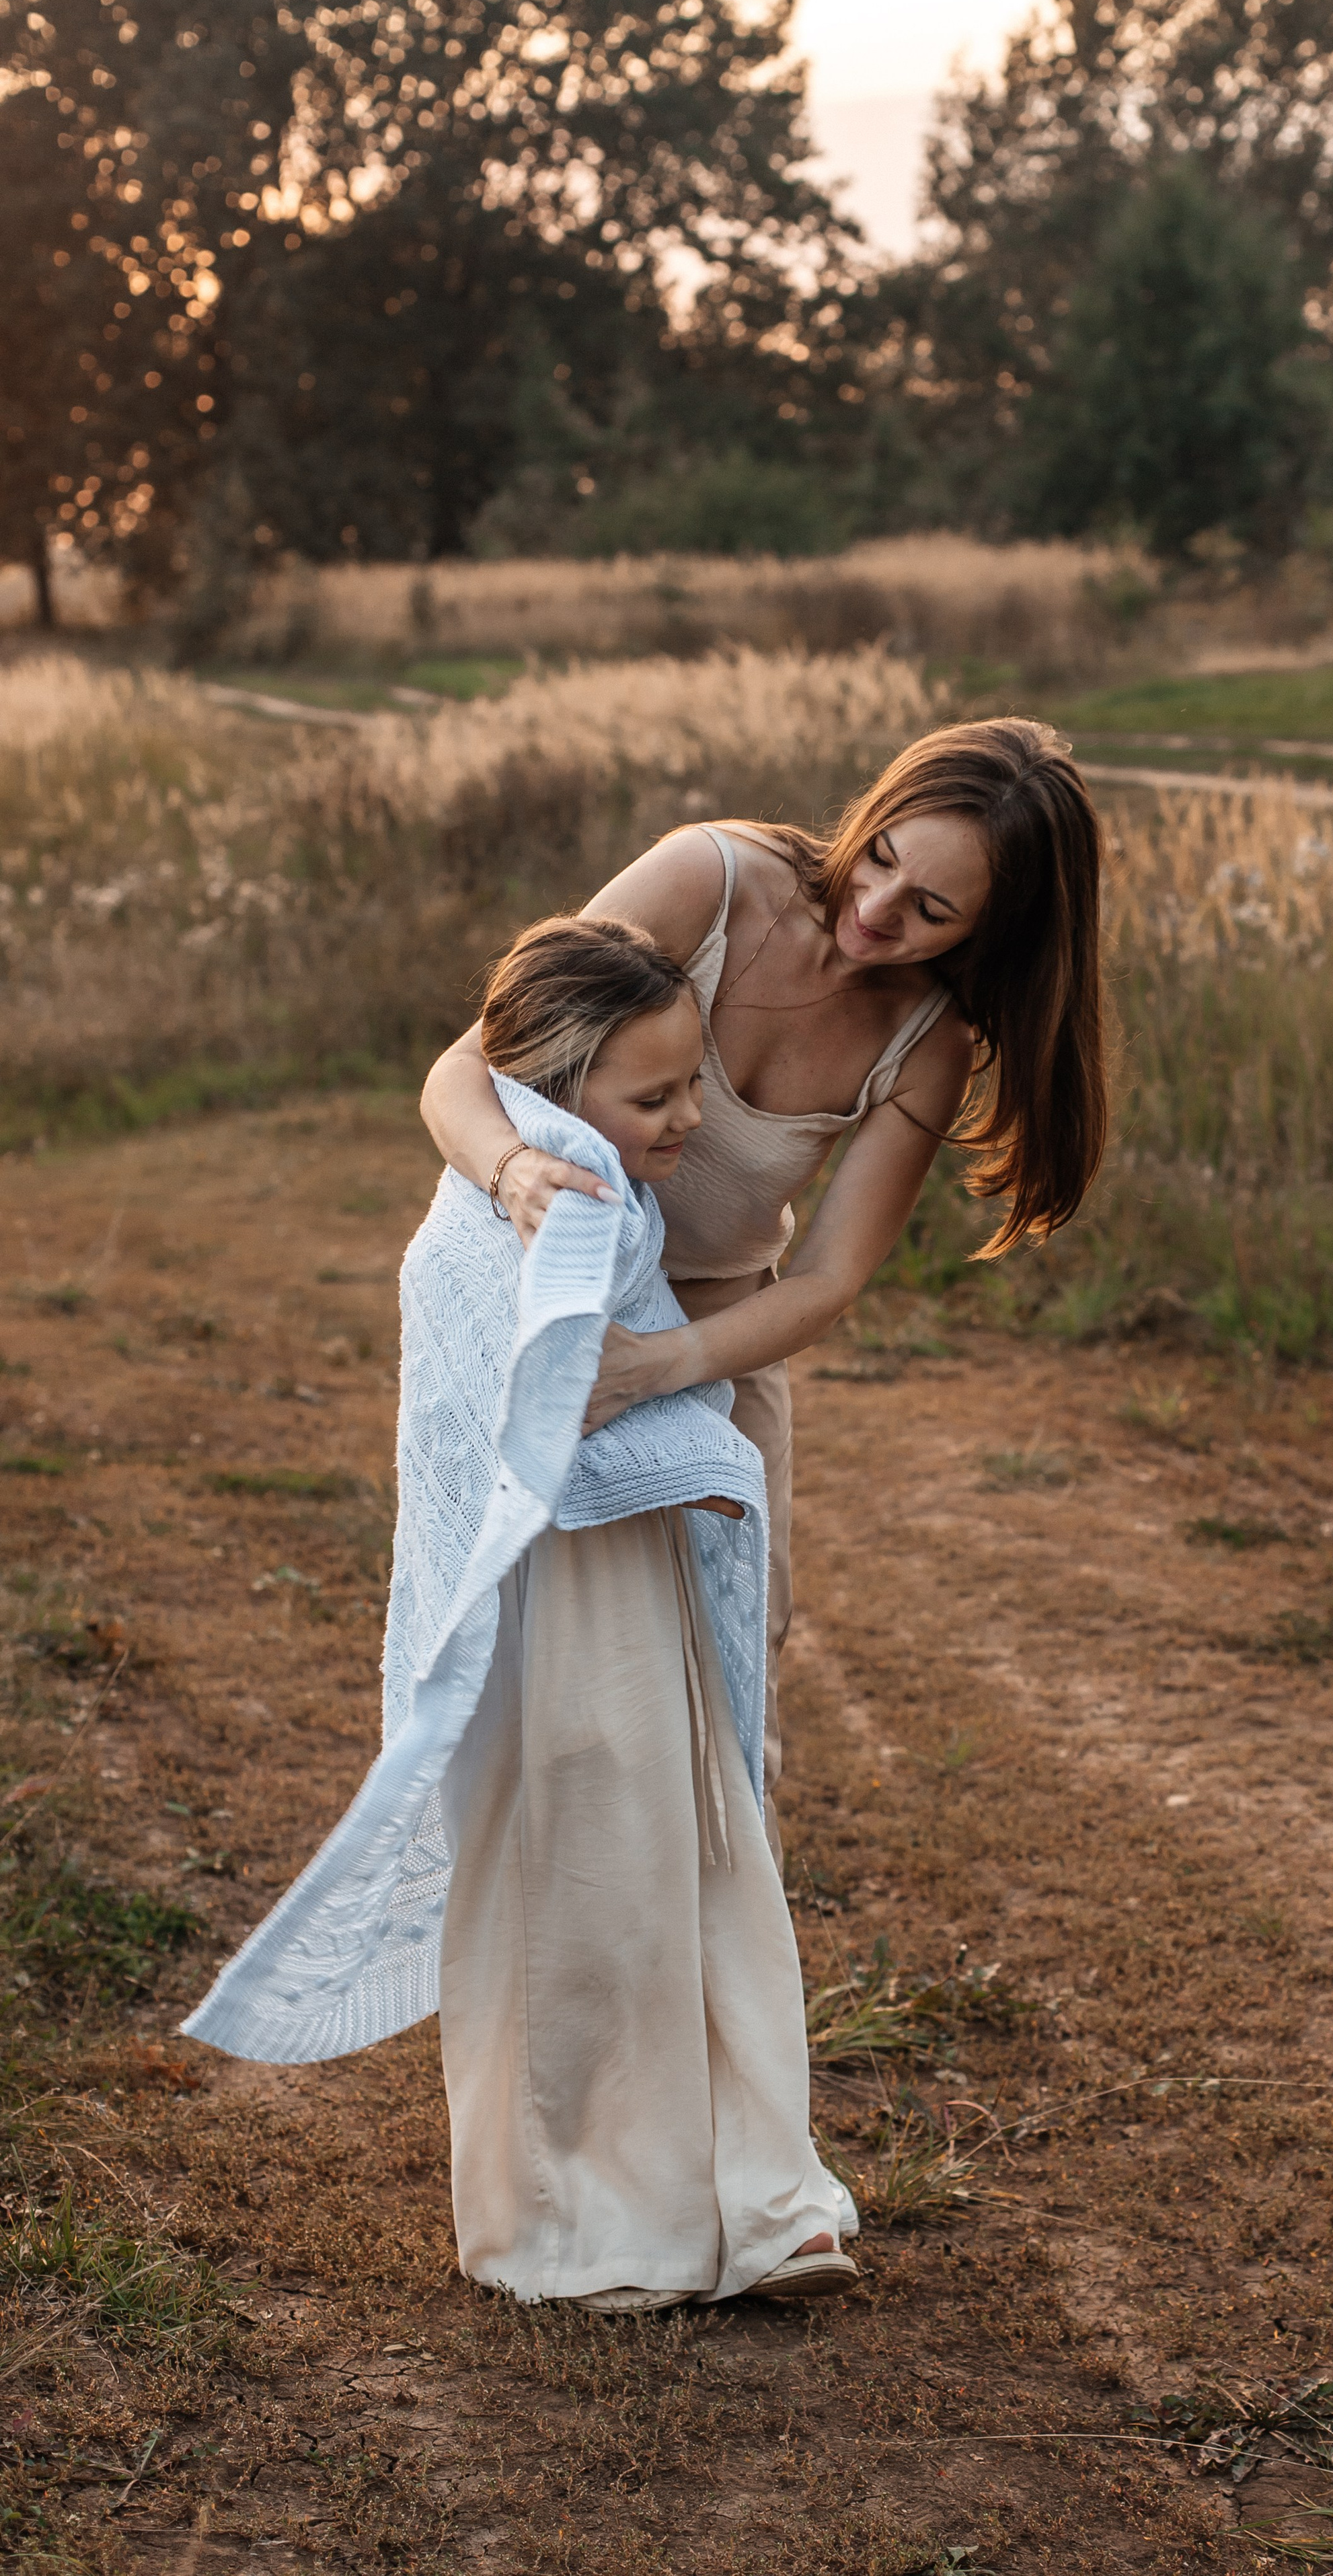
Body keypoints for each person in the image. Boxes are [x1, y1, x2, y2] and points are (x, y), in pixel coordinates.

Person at [185, 915, 857, 2308]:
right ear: (553, 1094)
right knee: (586, 1866)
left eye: (690, 1088)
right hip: (546, 1595)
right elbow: (524, 1409)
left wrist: (690, 1440)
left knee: (698, 1853)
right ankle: (582, 2220)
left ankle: (758, 2188)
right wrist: (694, 1447)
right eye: (655, 1097)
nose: (687, 1123)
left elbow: (619, 1382)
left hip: (634, 1578)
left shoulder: (597, 1186)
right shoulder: (549, 1204)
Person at [421, 718, 1108, 1853]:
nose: (880, 908)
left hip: (719, 1337)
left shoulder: (929, 1039)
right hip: (543, 1287)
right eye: (882, 854)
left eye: (933, 910)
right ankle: (526, 1907)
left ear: (996, 929)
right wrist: (511, 1173)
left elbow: (833, 1278)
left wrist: (665, 1365)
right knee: (523, 1631)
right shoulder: (710, 878)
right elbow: (466, 1066)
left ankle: (714, 1958)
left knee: (737, 1642)